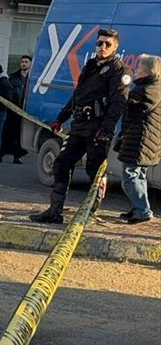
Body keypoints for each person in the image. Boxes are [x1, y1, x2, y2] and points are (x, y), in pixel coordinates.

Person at [29, 28, 129, 224]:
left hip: (98, 128)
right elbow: (78, 95)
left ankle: (90, 213)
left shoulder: (118, 70)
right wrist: (61, 118)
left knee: (95, 172)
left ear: (115, 47)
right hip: (79, 124)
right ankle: (55, 210)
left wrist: (106, 129)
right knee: (61, 163)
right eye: (99, 43)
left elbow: (118, 103)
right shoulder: (91, 65)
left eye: (107, 44)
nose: (102, 47)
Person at [113, 54, 161, 224]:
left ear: (148, 71)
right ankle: (137, 209)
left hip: (140, 140)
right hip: (147, 141)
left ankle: (142, 211)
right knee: (139, 176)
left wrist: (122, 85)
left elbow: (124, 99)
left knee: (130, 177)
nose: (136, 70)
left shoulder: (146, 89)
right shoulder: (155, 87)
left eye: (139, 68)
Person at [0, 55, 31, 164]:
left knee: (20, 134)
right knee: (8, 132)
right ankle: (1, 153)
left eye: (26, 62)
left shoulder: (32, 78)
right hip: (13, 109)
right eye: (22, 62)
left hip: (25, 110)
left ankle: (17, 156)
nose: (24, 64)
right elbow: (8, 91)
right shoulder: (13, 77)